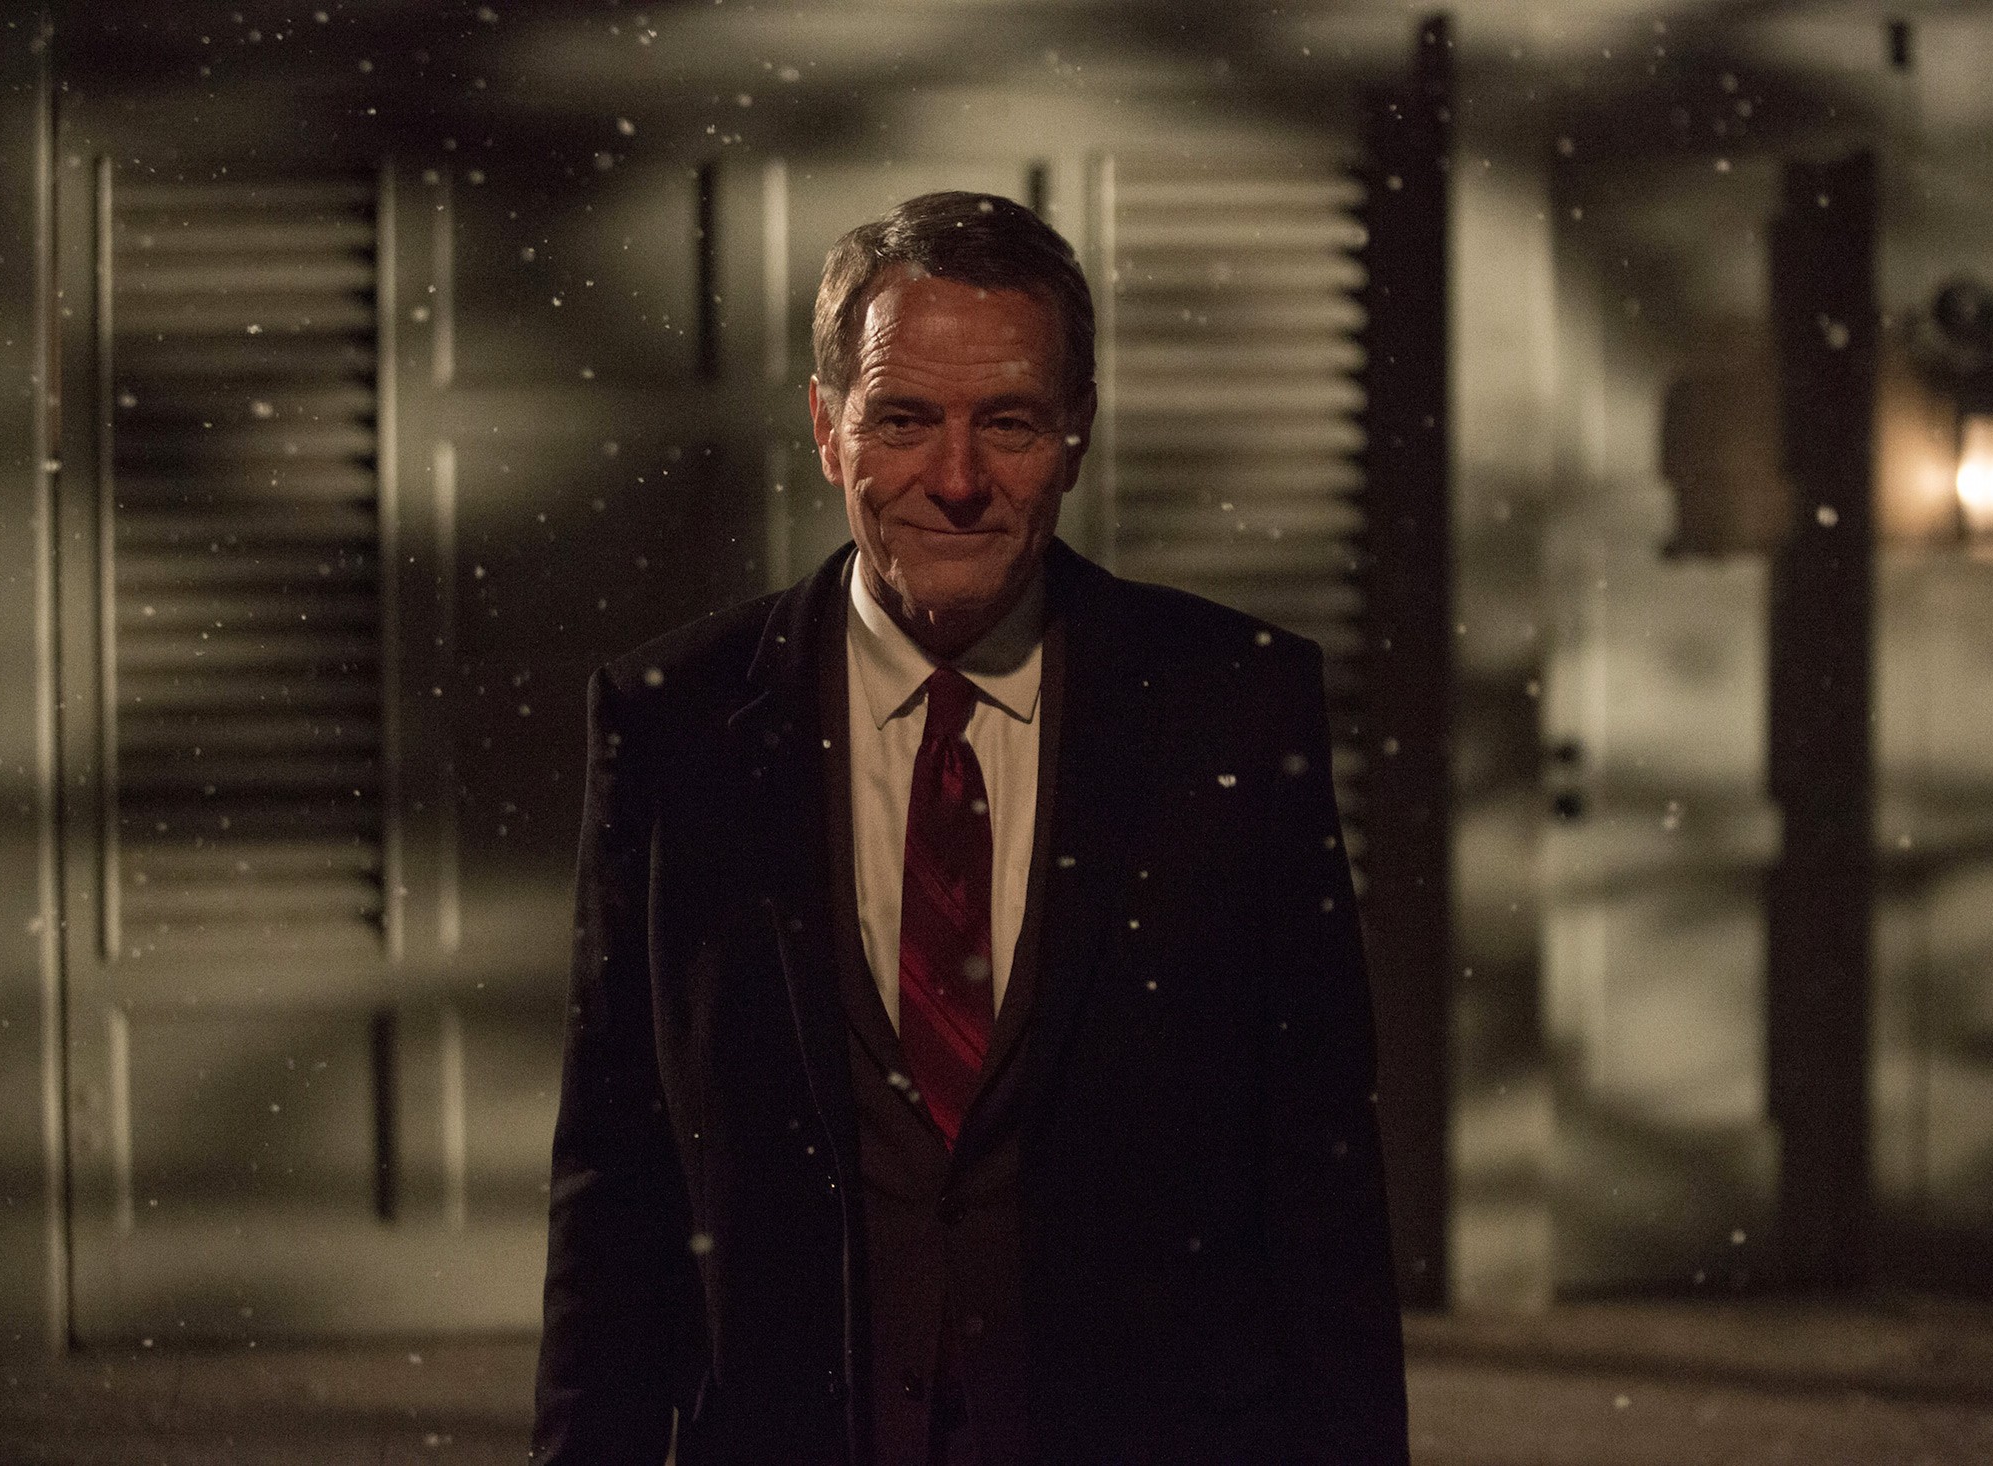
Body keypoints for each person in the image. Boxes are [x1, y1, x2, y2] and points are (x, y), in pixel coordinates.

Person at [532, 190, 1407, 1466]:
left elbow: (1318, 1173)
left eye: (1008, 421)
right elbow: (617, 1173)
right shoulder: (678, 723)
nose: (955, 480)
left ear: (1077, 433)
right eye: (902, 419)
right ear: (826, 427)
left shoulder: (1230, 704)